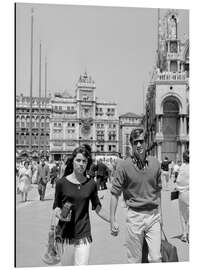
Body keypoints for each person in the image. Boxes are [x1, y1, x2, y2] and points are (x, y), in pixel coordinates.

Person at [110, 128, 162, 263]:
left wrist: (161, 216)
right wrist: (112, 220)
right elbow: (114, 194)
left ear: (146, 143)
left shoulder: (155, 163)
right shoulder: (124, 166)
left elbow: (158, 192)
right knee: (134, 260)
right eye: (135, 142)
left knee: (156, 258)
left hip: (153, 216)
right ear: (131, 144)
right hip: (134, 217)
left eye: (141, 141)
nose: (138, 145)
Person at [51, 146, 110, 266]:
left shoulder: (91, 184)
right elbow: (56, 207)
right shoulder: (61, 183)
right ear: (72, 161)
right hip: (64, 234)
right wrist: (59, 214)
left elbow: (97, 207)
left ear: (87, 163)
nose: (81, 164)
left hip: (83, 234)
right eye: (78, 160)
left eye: (84, 161)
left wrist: (112, 220)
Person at [175, 150, 189, 243]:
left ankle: (184, 234)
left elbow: (178, 181)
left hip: (182, 194)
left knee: (183, 216)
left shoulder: (182, 168)